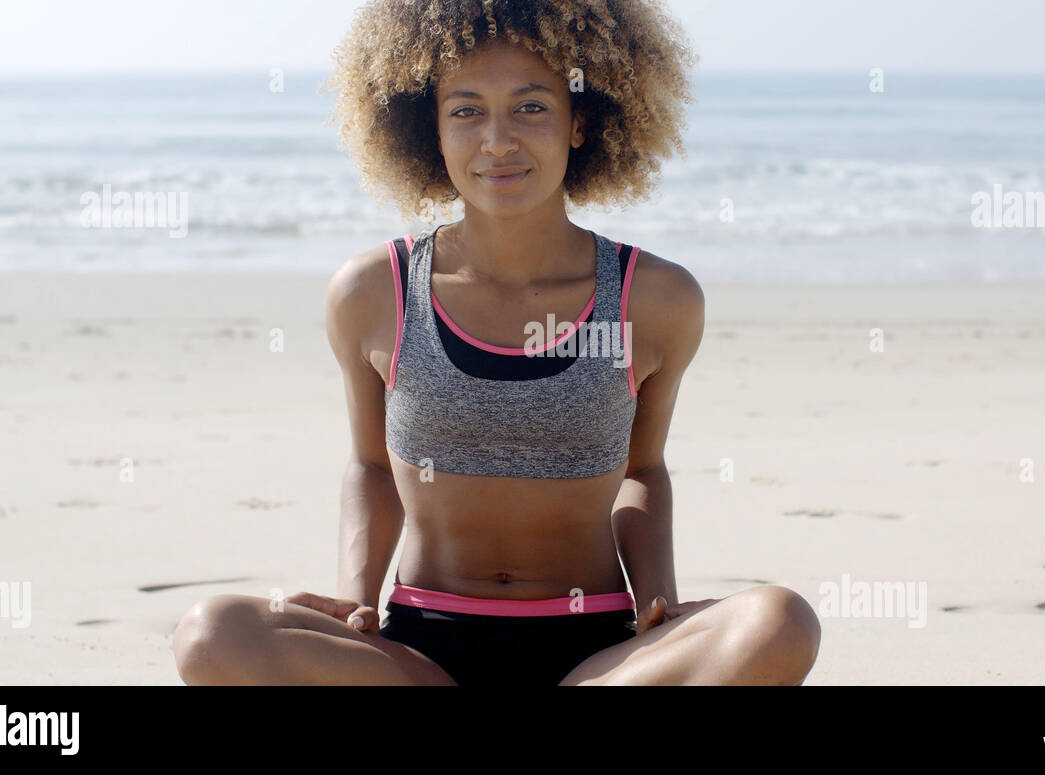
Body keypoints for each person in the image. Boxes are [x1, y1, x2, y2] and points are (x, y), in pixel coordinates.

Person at [171, 0, 820, 685]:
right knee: (211, 633)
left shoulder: (654, 299)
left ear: (581, 123)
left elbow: (641, 469)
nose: (498, 140)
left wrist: (655, 597)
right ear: (432, 131)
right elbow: (369, 466)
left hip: (597, 658)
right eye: (467, 110)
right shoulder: (374, 292)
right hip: (421, 658)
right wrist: (356, 598)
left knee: (780, 619)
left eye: (532, 108)